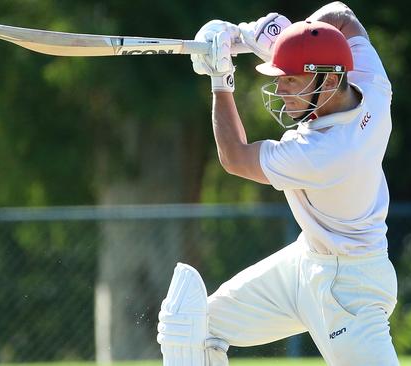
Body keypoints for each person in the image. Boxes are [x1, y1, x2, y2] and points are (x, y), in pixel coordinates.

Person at [156, 2, 398, 365]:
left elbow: (235, 158)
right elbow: (343, 17)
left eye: (291, 80)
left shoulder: (323, 152)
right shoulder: (371, 85)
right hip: (307, 261)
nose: (281, 90)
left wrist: (221, 78)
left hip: (350, 290)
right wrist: (273, 36)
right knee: (194, 328)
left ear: (330, 81)